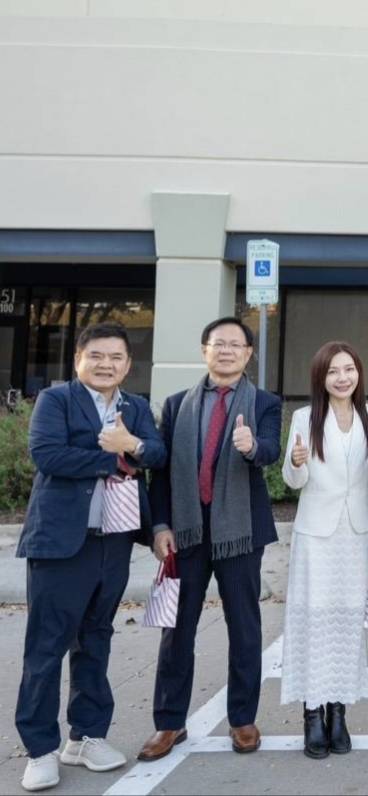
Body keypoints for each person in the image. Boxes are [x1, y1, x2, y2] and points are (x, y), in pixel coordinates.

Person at [15, 322, 166, 792]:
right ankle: (40, 749)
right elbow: (48, 455)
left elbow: (157, 454)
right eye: (97, 355)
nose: (106, 364)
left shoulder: (134, 407)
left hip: (113, 541)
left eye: (116, 357)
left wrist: (134, 446)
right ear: (78, 358)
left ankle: (86, 736)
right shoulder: (56, 400)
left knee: (96, 639)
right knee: (47, 647)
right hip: (62, 542)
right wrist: (118, 458)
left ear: (128, 364)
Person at [140, 317, 282, 762]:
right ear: (205, 350)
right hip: (186, 530)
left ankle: (243, 719)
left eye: (235, 345)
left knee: (244, 626)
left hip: (240, 532)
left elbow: (271, 450)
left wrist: (251, 446)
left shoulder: (264, 402)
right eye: (218, 344)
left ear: (248, 353)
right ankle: (169, 722)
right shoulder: (177, 405)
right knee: (177, 628)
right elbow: (160, 471)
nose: (226, 351)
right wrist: (160, 525)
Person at [280, 342, 368, 759]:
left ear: (359, 373)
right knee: (313, 621)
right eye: (333, 372)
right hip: (315, 536)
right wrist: (296, 461)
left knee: (346, 623)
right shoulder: (305, 417)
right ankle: (312, 714)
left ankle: (338, 712)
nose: (342, 378)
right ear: (320, 378)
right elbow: (294, 481)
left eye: (349, 370)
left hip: (357, 534)